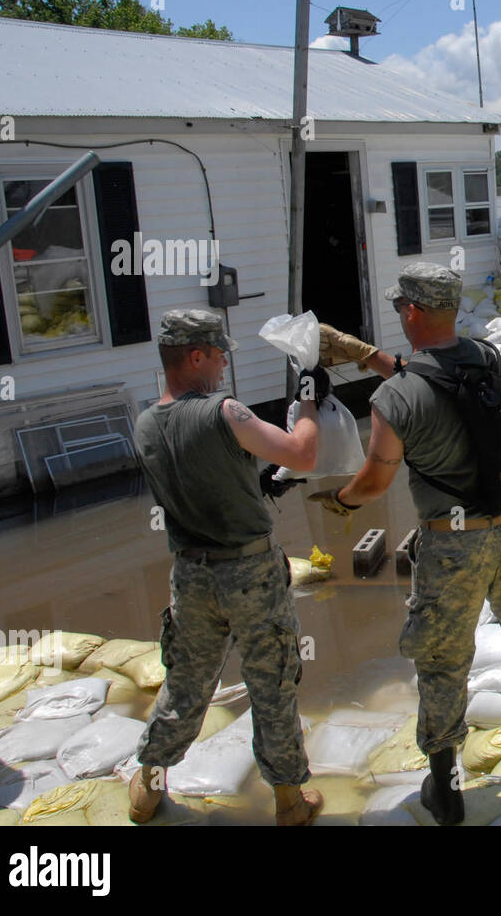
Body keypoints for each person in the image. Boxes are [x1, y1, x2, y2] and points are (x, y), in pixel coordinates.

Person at [310, 264, 501, 826]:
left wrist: (340, 501)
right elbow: (441, 381)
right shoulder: (487, 360)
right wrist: (366, 354)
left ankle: (446, 789)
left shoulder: (394, 399)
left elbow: (376, 481)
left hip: (453, 546)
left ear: (411, 311)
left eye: (399, 310)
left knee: (442, 661)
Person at [128, 309, 326, 826]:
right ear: (196, 355)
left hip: (191, 575)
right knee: (272, 681)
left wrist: (248, 485)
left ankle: (147, 788)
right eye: (218, 355)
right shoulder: (224, 411)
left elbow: (200, 481)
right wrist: (307, 397)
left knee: (186, 682)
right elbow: (302, 454)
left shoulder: (145, 423)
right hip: (250, 573)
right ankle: (289, 801)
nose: (222, 366)